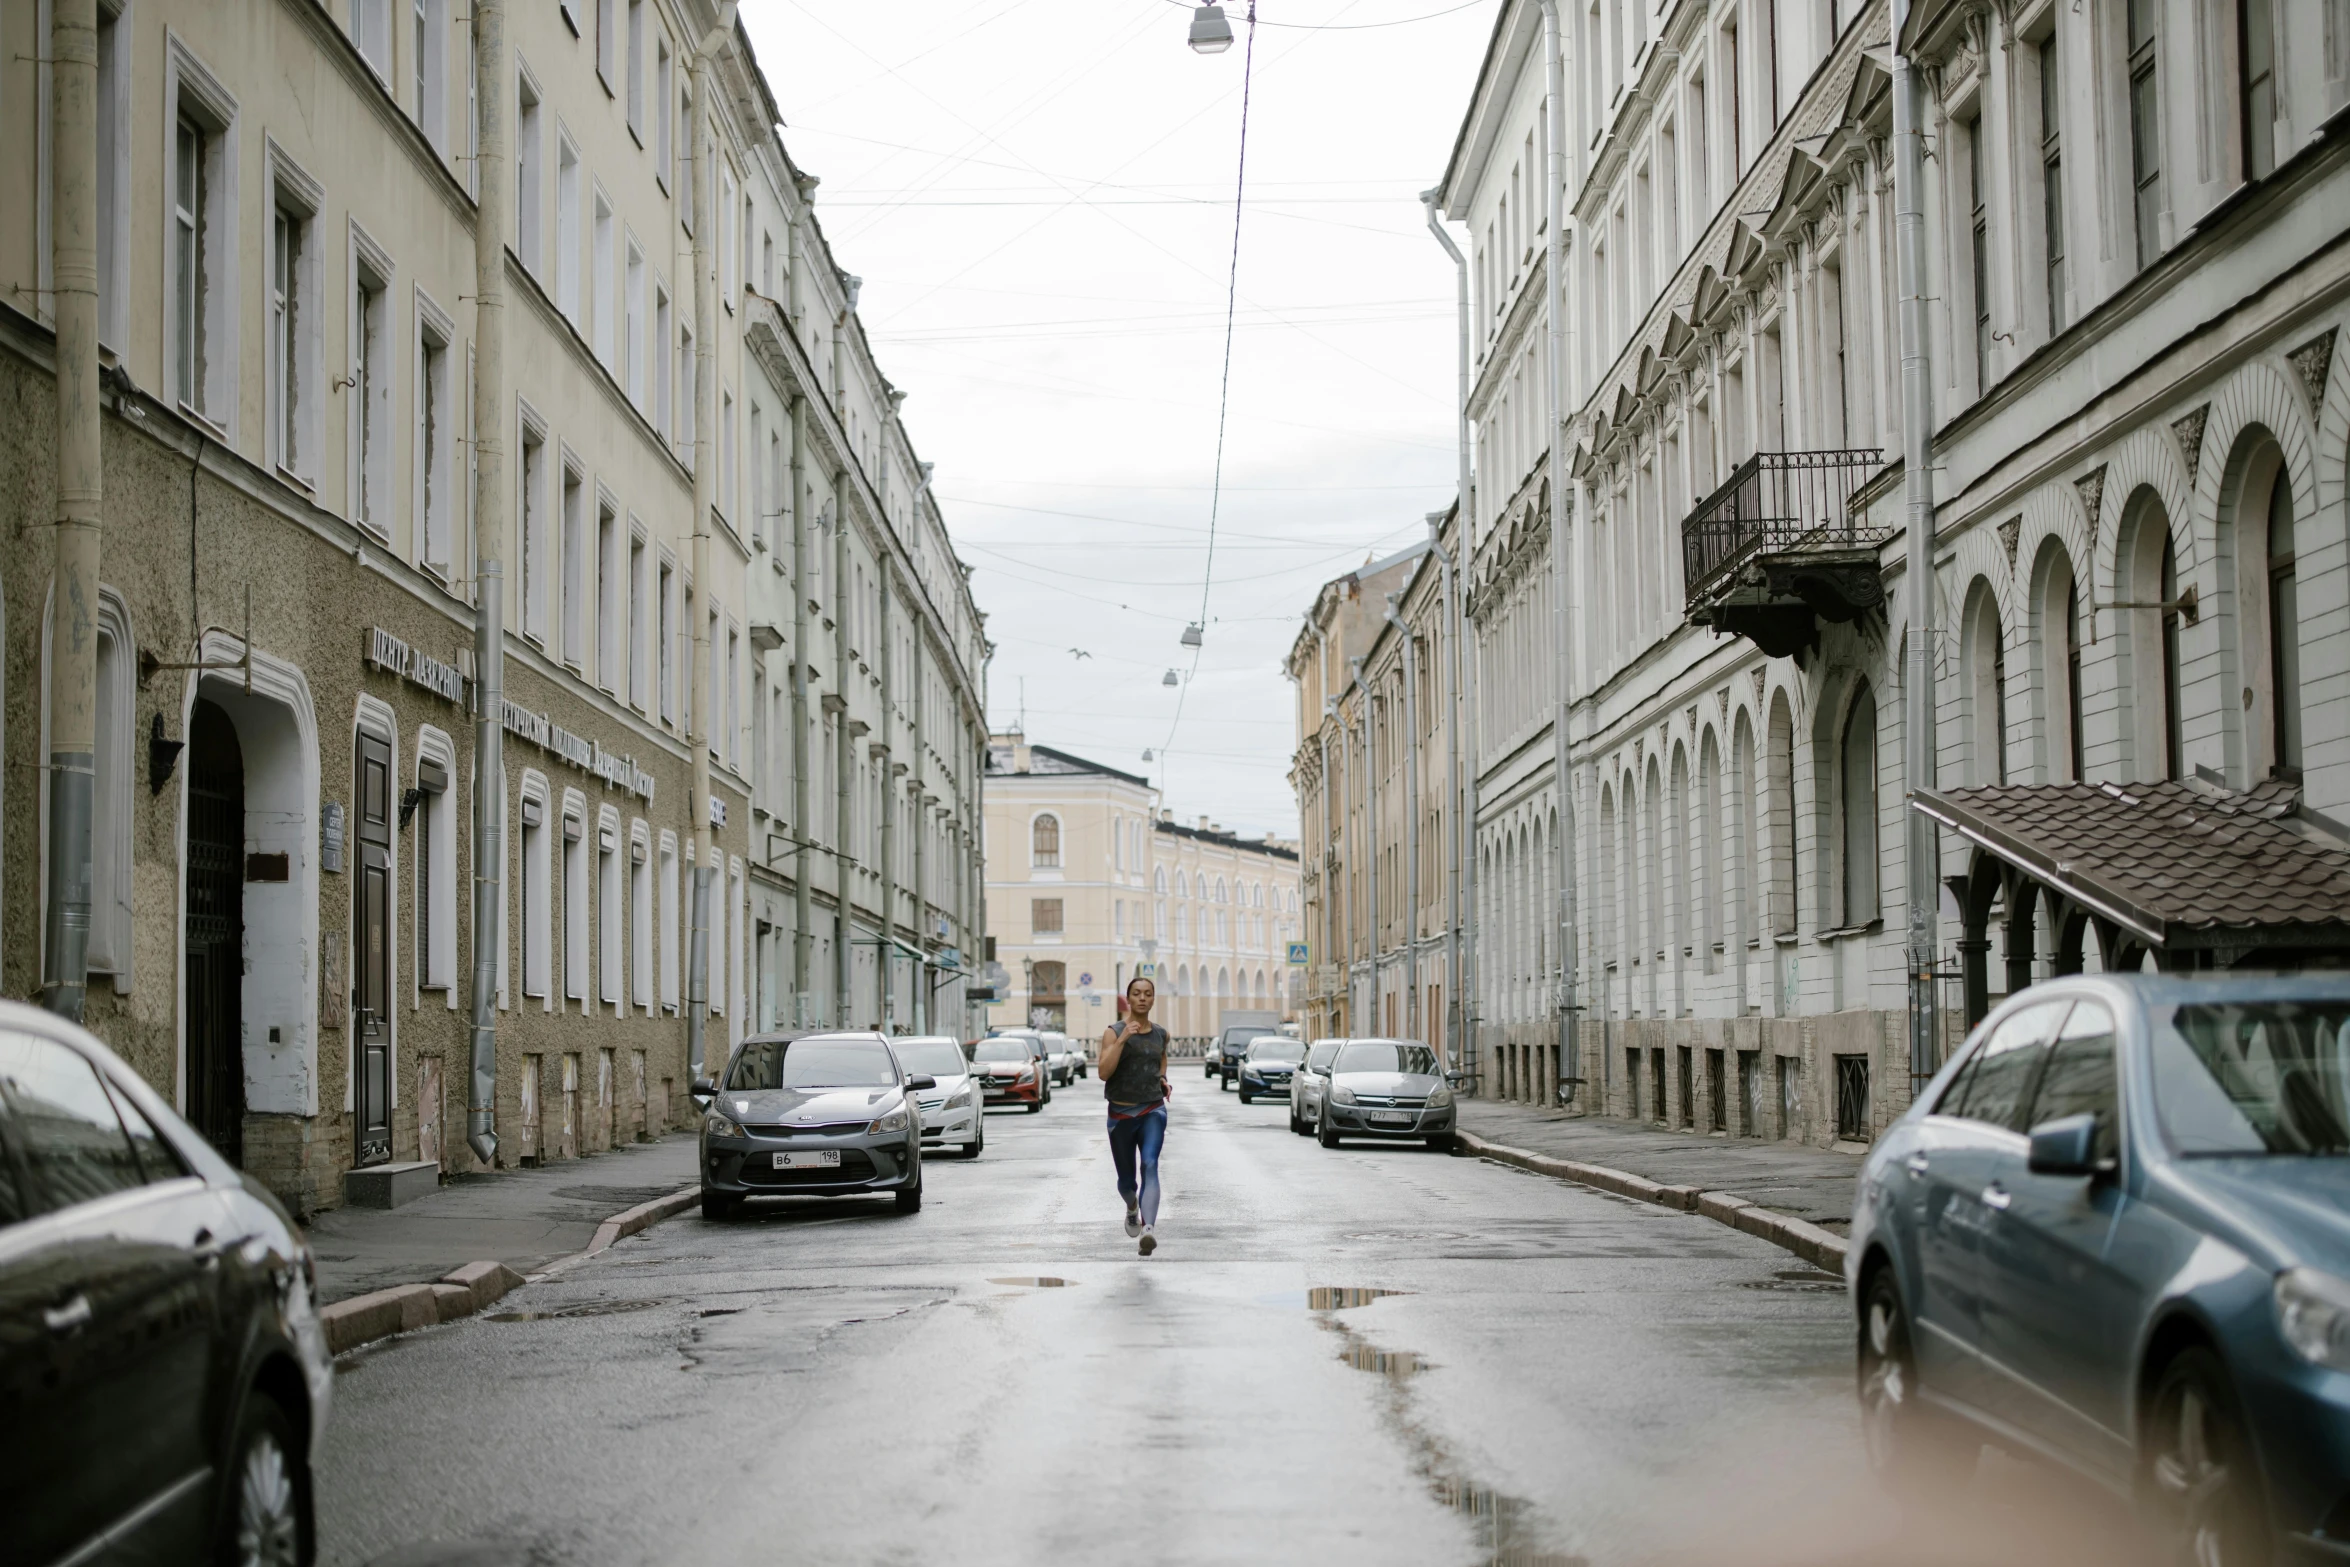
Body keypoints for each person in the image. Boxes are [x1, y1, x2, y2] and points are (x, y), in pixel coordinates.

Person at [1098, 976, 1171, 1256]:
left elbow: (1161, 1058)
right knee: (1126, 1182)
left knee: (1150, 1164)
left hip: (1153, 1108)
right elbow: (1104, 1072)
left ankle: (1148, 1229)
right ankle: (1132, 1207)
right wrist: (1124, 1039)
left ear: (1153, 999)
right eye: (1137, 994)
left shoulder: (1161, 1034)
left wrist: (1162, 1078)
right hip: (1120, 1114)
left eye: (1148, 994)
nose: (1142, 998)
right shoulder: (1113, 1032)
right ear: (1128, 999)